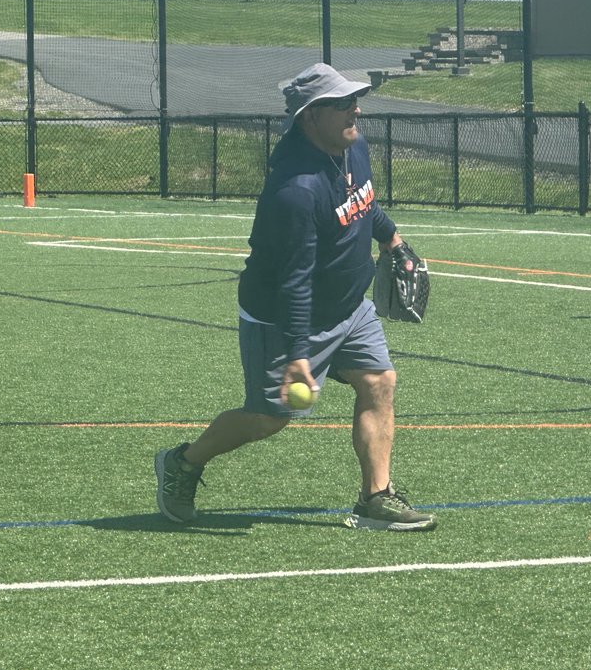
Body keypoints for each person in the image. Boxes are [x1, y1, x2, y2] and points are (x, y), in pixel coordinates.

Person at [154, 63, 438, 532]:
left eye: (354, 100)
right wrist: (299, 354)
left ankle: (375, 498)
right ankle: (183, 462)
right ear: (311, 116)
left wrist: (392, 240)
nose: (356, 109)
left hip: (349, 306)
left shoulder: (352, 146)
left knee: (379, 382)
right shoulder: (294, 190)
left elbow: (363, 200)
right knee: (268, 419)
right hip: (283, 317)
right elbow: (295, 279)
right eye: (343, 104)